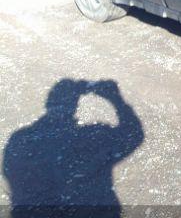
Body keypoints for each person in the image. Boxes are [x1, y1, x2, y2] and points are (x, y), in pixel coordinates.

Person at [2, 79, 144, 217]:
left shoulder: (20, 140)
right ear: (75, 106)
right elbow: (133, 135)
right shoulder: (91, 139)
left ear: (48, 103)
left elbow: (9, 173)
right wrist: (115, 98)